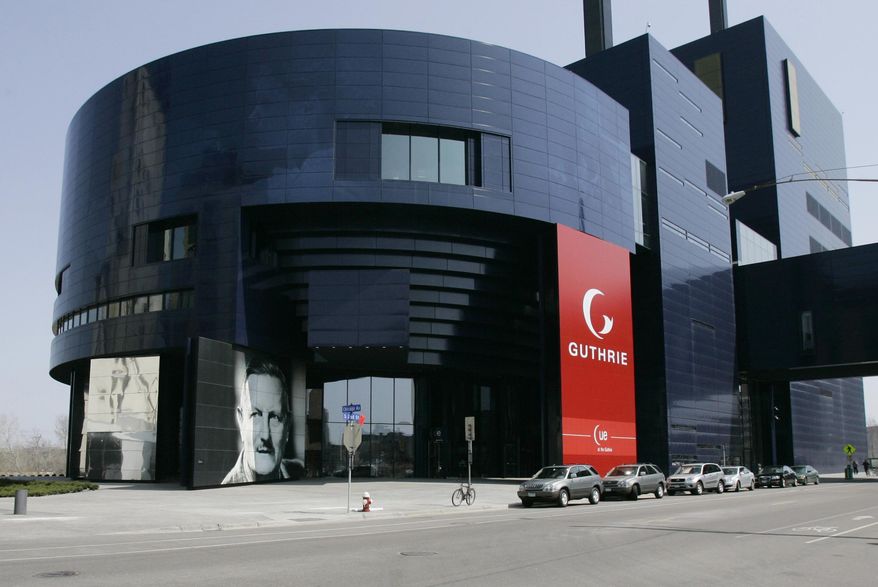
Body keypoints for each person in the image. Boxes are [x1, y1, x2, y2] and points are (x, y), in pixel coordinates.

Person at [222, 358, 290, 485]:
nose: (265, 435)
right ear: (241, 421)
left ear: (287, 427)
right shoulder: (226, 491)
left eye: (275, 417)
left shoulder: (295, 469)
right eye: (255, 415)